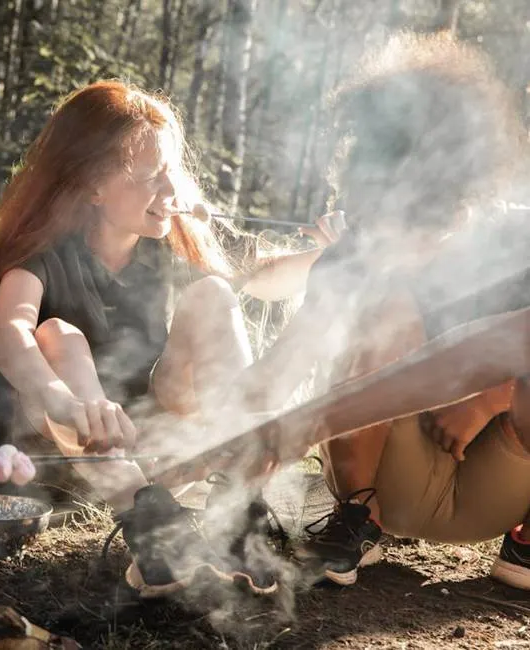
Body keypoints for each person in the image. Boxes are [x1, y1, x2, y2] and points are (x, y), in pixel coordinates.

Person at [189, 34, 529, 589]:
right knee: (378, 304)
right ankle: (357, 522)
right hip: (385, 481)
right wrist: (203, 436)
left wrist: (485, 400)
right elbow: (281, 371)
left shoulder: (514, 242)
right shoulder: (356, 256)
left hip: (492, 483)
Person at [0, 79, 336, 597]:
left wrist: (345, 255)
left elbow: (267, 273)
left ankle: (238, 497)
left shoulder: (169, 236)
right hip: (65, 455)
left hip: (153, 449)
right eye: (152, 177)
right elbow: (8, 335)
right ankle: (148, 526)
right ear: (93, 186)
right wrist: (68, 401)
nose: (172, 192)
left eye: (172, 173)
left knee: (212, 293)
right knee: (59, 334)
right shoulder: (46, 254)